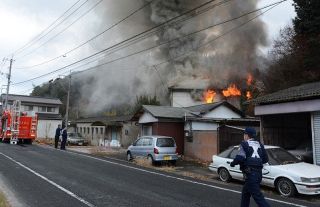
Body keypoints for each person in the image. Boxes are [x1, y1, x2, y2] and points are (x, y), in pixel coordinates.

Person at [230, 127, 270, 207]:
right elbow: (265, 159)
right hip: (258, 174)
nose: (244, 136)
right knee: (245, 193)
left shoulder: (244, 144)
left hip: (251, 174)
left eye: (244, 134)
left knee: (258, 197)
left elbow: (240, 158)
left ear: (247, 135)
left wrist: (233, 163)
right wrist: (256, 162)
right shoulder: (260, 144)